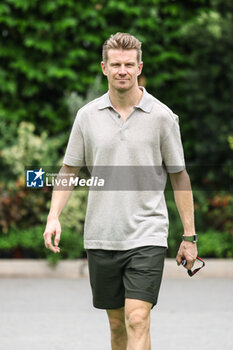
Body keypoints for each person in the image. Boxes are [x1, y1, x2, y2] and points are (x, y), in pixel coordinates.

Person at [43, 32, 198, 350]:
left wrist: (189, 236)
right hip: (102, 235)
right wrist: (53, 216)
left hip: (147, 235)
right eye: (116, 64)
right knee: (117, 326)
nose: (123, 70)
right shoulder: (87, 117)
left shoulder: (162, 118)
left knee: (137, 318)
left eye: (129, 64)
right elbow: (69, 170)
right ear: (104, 67)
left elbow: (179, 176)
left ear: (140, 67)